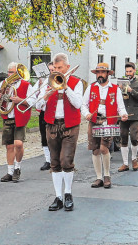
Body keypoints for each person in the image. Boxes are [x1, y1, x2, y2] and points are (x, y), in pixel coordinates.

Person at [36, 53, 83, 211]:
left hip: (70, 125)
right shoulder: (47, 83)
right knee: (55, 162)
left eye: (59, 68)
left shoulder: (77, 83)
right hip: (51, 125)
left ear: (67, 68)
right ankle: (58, 197)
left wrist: (65, 87)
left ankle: (68, 194)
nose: (56, 71)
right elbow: (38, 106)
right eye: (54, 68)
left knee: (66, 160)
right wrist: (45, 95)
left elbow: (77, 104)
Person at [81, 63, 129, 189]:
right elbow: (83, 104)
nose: (99, 75)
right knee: (95, 149)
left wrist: (123, 114)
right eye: (97, 72)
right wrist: (86, 114)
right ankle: (98, 177)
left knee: (104, 148)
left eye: (102, 72)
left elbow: (120, 106)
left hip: (108, 121)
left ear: (108, 74)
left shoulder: (115, 88)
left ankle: (107, 175)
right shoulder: (91, 88)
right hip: (94, 120)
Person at [0, 62, 36, 183]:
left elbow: (33, 100)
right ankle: (10, 172)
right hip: (7, 116)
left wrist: (21, 100)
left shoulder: (26, 85)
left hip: (20, 116)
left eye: (13, 72)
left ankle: (18, 167)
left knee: (18, 144)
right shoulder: (4, 83)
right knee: (9, 146)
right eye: (9, 72)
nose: (10, 74)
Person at [117, 62, 138, 171]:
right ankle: (125, 163)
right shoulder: (122, 81)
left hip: (135, 113)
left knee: (134, 137)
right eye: (127, 71)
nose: (128, 73)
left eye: (130, 71)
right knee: (123, 137)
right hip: (123, 112)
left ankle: (134, 159)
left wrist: (131, 91)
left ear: (134, 71)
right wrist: (119, 89)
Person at [36, 62, 55, 171]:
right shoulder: (44, 82)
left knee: (54, 137)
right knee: (44, 137)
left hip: (54, 113)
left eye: (53, 70)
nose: (51, 72)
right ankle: (48, 160)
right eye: (50, 70)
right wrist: (39, 87)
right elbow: (37, 100)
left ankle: (56, 159)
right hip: (44, 112)